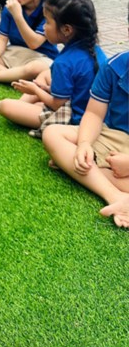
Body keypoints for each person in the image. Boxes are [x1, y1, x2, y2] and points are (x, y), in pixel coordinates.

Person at [0, 0, 107, 137]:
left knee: (7, 106)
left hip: (75, 118)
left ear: (67, 30)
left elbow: (57, 104)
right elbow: (78, 88)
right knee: (43, 76)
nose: (44, 27)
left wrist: (35, 90)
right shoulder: (95, 50)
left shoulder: (64, 62)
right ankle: (24, 106)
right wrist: (45, 89)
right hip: (96, 114)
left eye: (47, 22)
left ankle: (12, 106)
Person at [42, 48, 129, 228]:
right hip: (115, 136)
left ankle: (72, 166)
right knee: (52, 133)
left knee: (73, 159)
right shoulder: (114, 67)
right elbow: (94, 114)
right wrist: (84, 143)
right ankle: (115, 196)